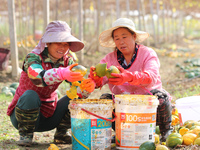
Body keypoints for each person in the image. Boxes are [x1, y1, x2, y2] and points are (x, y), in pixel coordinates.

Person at [7, 21, 95, 146]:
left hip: (49, 117)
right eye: (58, 42)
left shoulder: (67, 61)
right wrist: (61, 73)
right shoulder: (33, 58)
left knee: (75, 98)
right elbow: (37, 77)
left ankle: (61, 134)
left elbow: (79, 89)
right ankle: (26, 135)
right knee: (30, 95)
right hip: (21, 117)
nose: (63, 48)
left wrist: (87, 88)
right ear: (48, 42)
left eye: (66, 44)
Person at [89, 18, 172, 142]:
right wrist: (95, 79)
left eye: (124, 37)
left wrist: (129, 77)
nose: (121, 42)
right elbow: (99, 79)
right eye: (117, 38)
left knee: (161, 96)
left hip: (148, 109)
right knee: (104, 100)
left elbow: (152, 77)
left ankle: (166, 130)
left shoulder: (147, 54)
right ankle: (120, 132)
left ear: (134, 36)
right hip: (124, 109)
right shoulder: (110, 59)